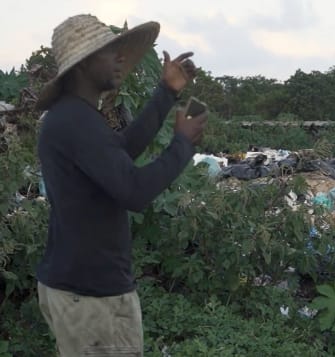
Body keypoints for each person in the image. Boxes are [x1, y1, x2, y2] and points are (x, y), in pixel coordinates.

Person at [34, 14, 207, 356]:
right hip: (92, 297)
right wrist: (182, 145)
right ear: (83, 64)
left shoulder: (74, 117)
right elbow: (134, 191)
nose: (121, 58)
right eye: (110, 52)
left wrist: (166, 92)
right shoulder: (75, 121)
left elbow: (121, 153)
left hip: (81, 289)